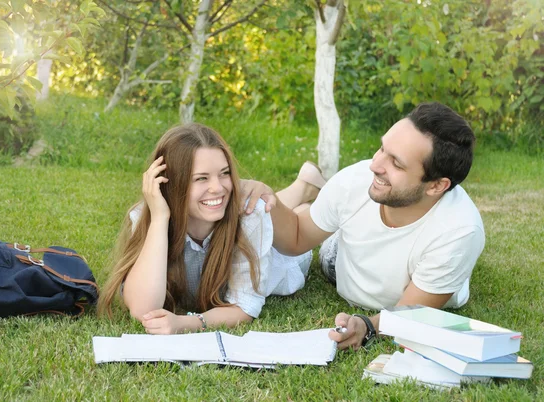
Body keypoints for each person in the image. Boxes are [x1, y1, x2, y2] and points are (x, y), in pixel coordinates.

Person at [249, 102, 485, 351]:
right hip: (339, 255)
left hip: (407, 266)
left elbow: (409, 314)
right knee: (317, 237)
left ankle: (307, 194)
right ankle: (304, 189)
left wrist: (367, 325)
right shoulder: (354, 181)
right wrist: (264, 195)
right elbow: (297, 237)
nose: (375, 165)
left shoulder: (459, 232)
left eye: (396, 163)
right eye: (382, 148)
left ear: (436, 186)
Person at [97, 123, 317, 334]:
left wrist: (185, 323)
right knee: (240, 201)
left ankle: (304, 192)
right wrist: (160, 218)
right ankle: (303, 187)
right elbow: (143, 309)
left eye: (224, 173)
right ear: (169, 184)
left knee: (261, 206)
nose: (218, 187)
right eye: (201, 178)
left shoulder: (251, 217)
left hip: (283, 256)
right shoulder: (149, 217)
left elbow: (245, 307)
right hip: (213, 208)